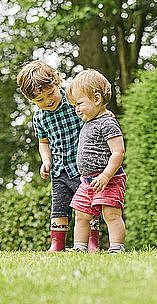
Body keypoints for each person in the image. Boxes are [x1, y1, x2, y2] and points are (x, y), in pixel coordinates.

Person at [16, 61, 101, 252]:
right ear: (32, 101)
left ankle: (91, 242)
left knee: (88, 208)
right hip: (59, 171)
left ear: (57, 82)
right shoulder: (39, 118)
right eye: (39, 100)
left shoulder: (74, 103)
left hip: (84, 168)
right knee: (59, 208)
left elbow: (94, 116)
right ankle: (57, 243)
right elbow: (43, 142)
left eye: (49, 94)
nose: (47, 101)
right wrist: (46, 161)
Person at [66, 69, 126, 254]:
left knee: (111, 214)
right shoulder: (89, 122)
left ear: (97, 99)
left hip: (108, 179)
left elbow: (118, 152)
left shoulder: (107, 122)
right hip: (88, 182)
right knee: (81, 215)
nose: (76, 109)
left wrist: (106, 176)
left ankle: (116, 247)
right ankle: (80, 247)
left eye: (79, 103)